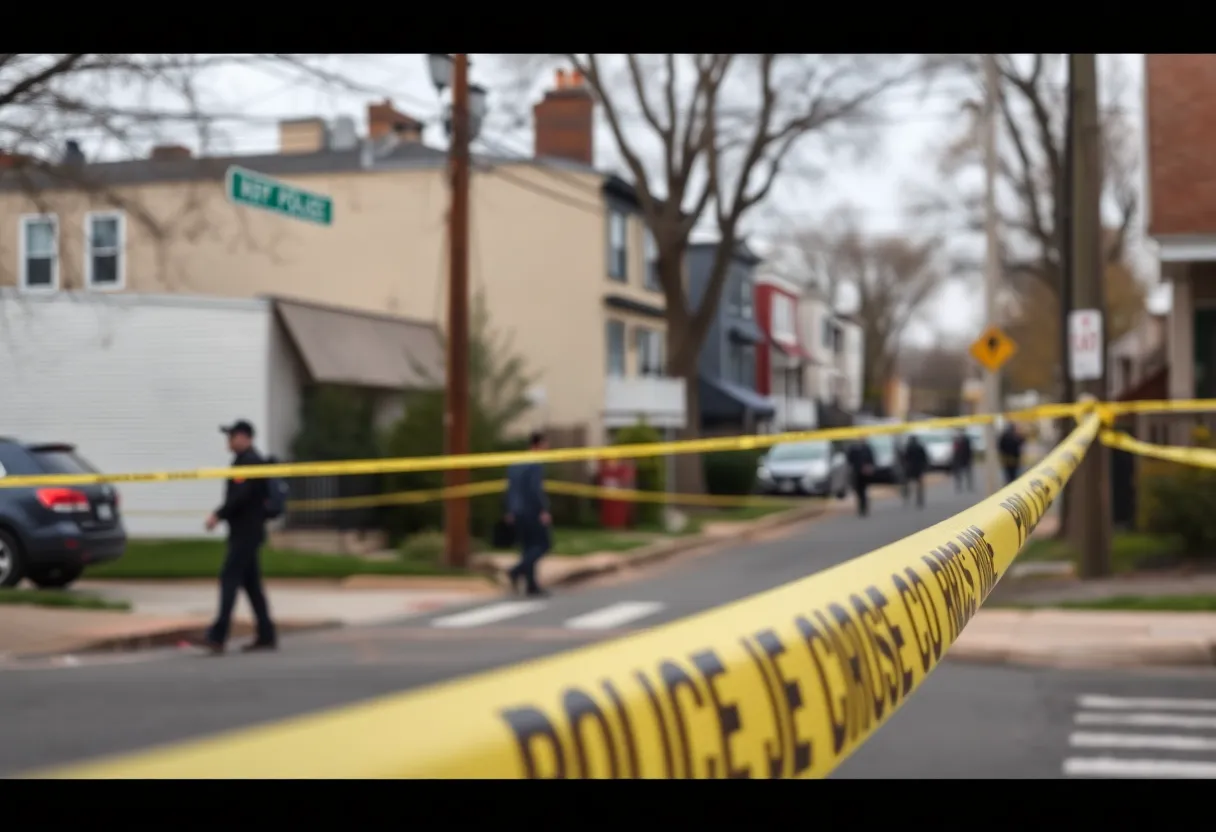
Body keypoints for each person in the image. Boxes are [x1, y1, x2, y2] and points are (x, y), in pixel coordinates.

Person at [201, 420, 277, 655]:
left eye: (232, 436)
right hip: (247, 531)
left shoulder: (250, 462)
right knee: (252, 585)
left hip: (246, 532)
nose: (229, 441)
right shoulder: (244, 461)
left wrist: (218, 514)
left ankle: (217, 636)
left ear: (244, 437)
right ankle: (266, 635)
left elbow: (240, 497)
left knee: (229, 579)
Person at [504, 431, 552, 597]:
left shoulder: (516, 463)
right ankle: (516, 571)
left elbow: (509, 489)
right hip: (531, 511)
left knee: (528, 547)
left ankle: (531, 585)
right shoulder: (535, 464)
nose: (548, 448)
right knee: (543, 545)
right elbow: (534, 489)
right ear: (538, 445)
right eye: (546, 445)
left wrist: (510, 510)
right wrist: (542, 510)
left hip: (517, 511)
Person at [846, 438, 876, 517]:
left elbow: (871, 459)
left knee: (863, 490)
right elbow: (849, 460)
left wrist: (870, 467)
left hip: (865, 473)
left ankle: (864, 506)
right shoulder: (853, 449)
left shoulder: (867, 448)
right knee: (858, 491)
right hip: (856, 473)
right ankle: (861, 506)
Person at [901, 433, 928, 509]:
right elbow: (924, 458)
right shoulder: (920, 447)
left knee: (906, 483)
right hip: (918, 468)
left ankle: (906, 496)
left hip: (910, 468)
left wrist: (905, 466)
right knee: (919, 485)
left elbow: (904, 458)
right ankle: (920, 499)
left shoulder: (908, 447)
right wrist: (924, 467)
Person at [951, 428, 974, 493]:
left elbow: (969, 450)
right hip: (958, 459)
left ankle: (969, 485)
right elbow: (954, 450)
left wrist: (969, 458)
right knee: (958, 474)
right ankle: (958, 486)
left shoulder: (966, 440)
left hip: (966, 459)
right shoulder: (955, 440)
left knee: (968, 473)